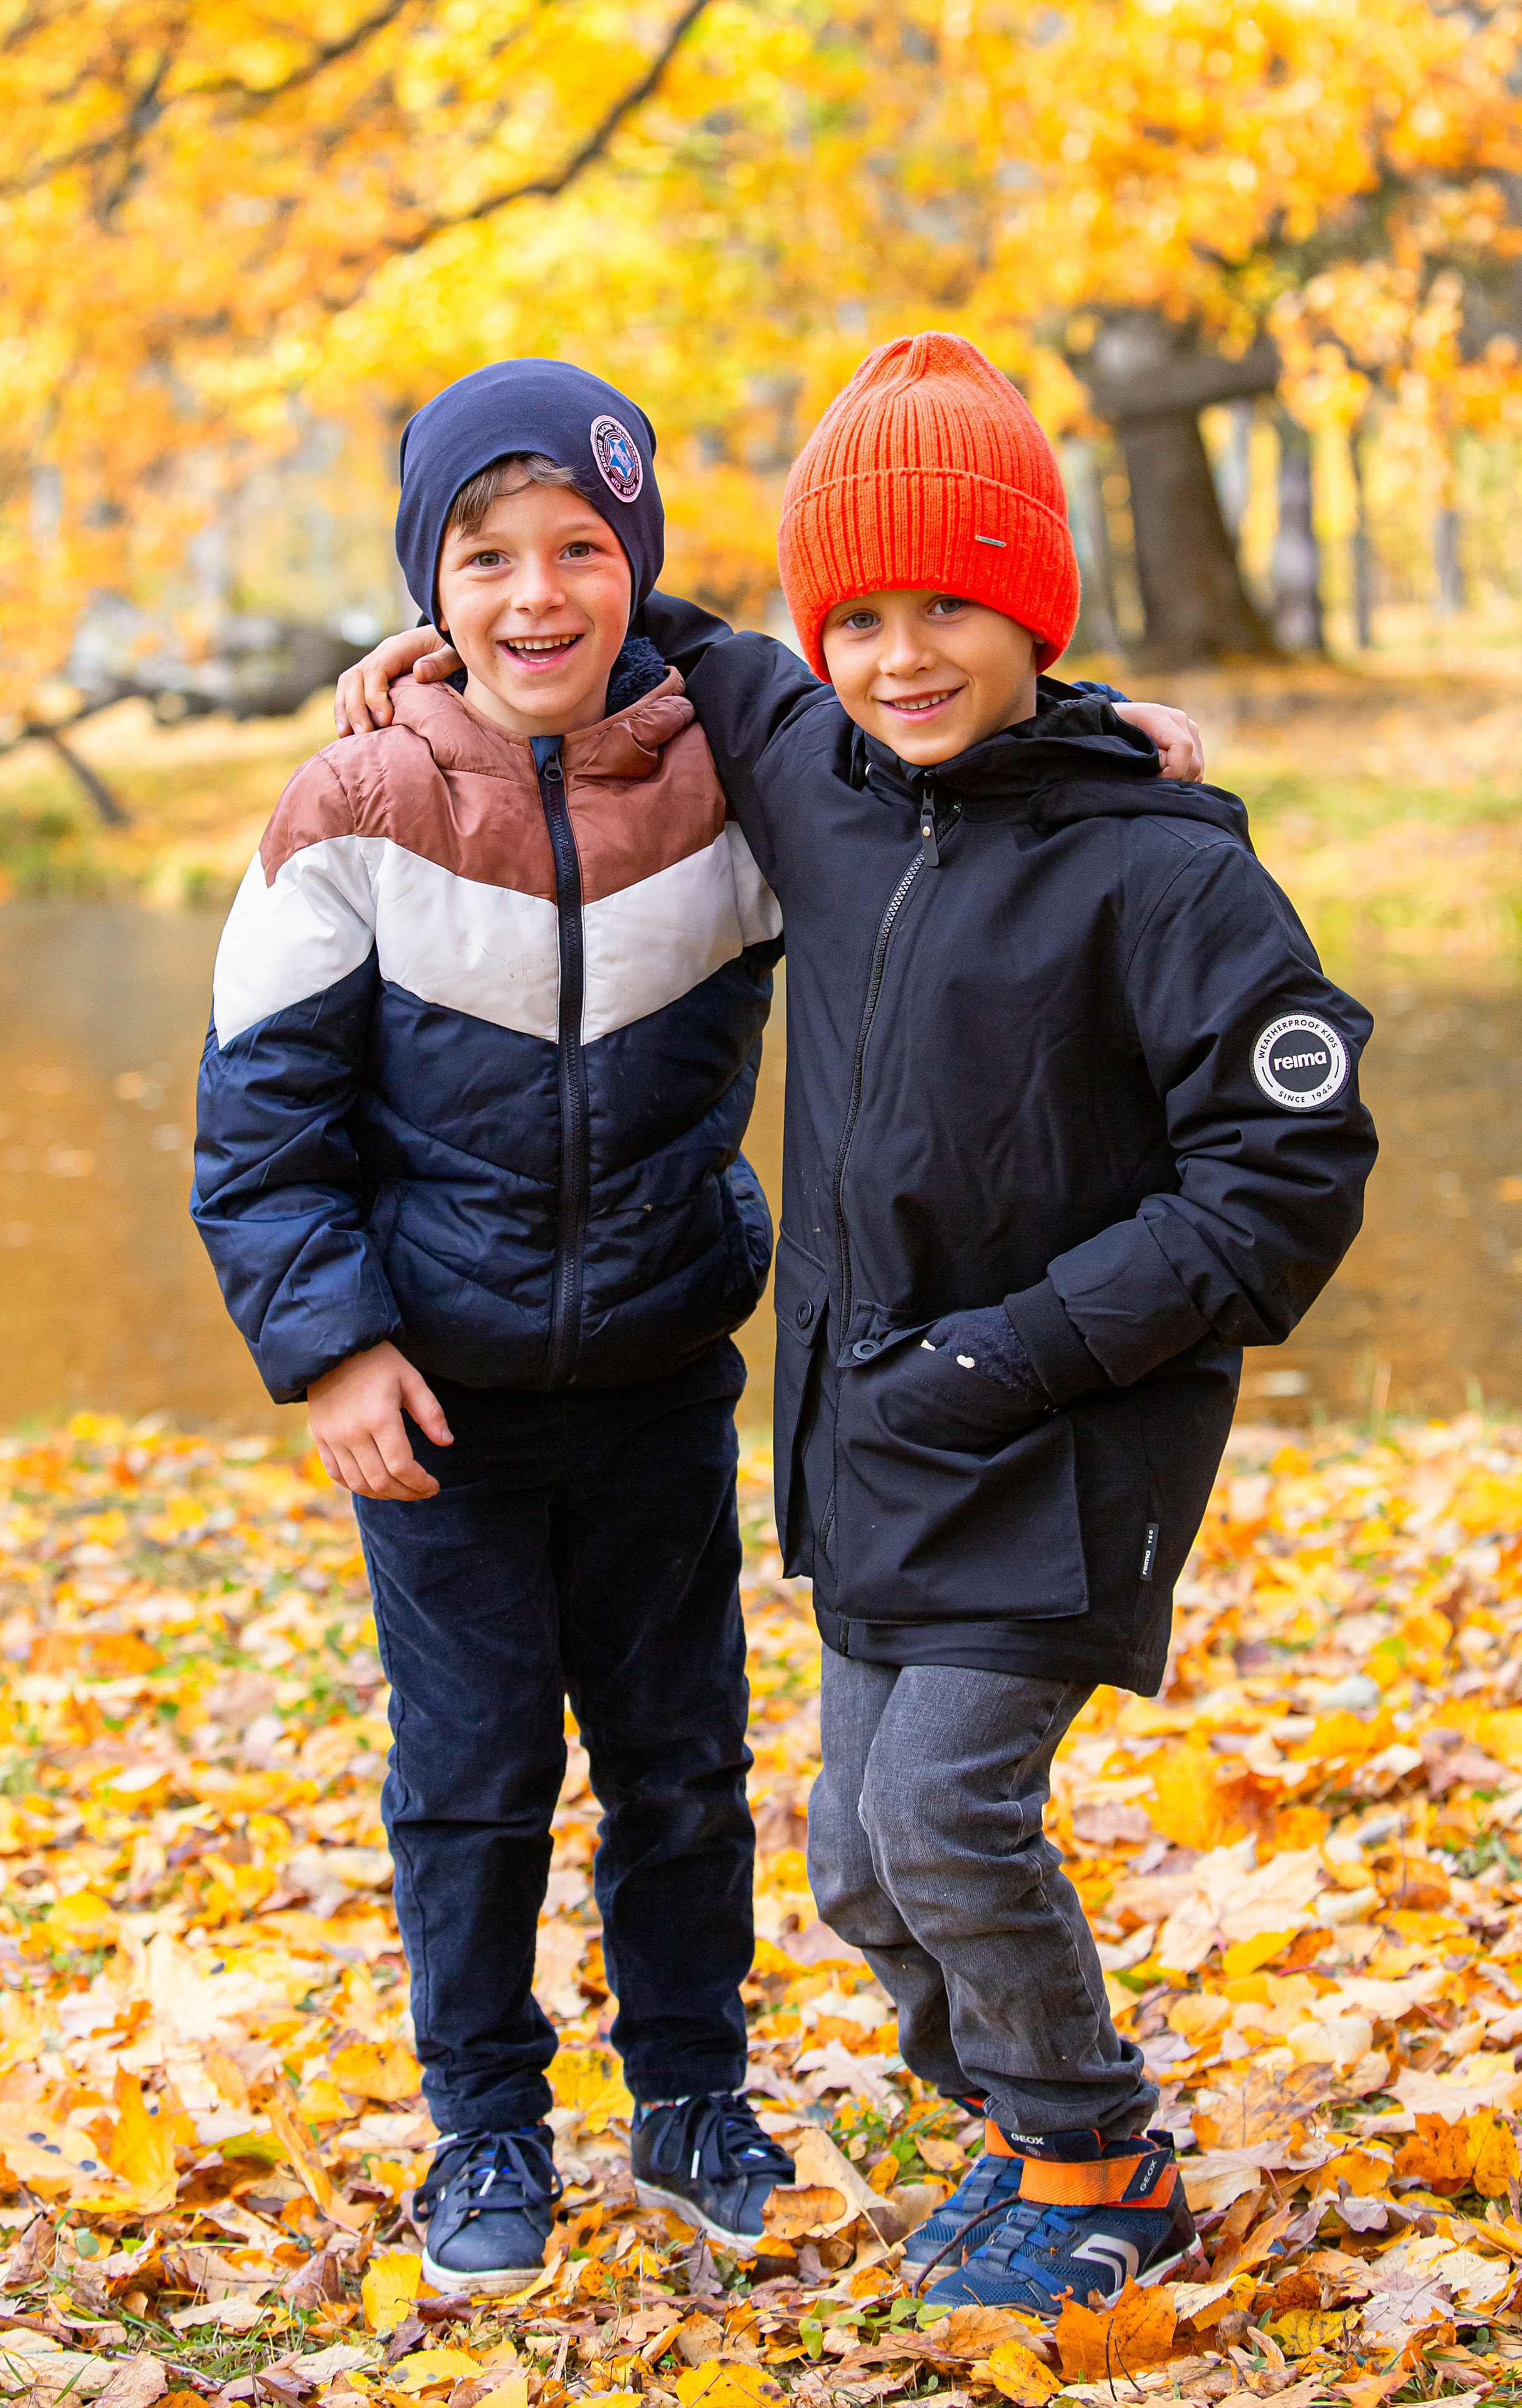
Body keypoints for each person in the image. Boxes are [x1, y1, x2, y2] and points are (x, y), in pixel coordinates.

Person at [337, 332, 1375, 2316]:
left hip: (1067, 1434)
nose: (904, 657)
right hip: (877, 1432)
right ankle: (1015, 2124)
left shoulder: (1159, 868)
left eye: (956, 610)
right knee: (856, 1864)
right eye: (865, 618)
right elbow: (635, 625)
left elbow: (1284, 1170)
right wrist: (435, 657)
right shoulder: (812, 767)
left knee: (941, 1814)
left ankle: (1098, 2157)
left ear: (1038, 612)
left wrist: (1022, 1349)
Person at [191, 358, 806, 2289]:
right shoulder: (357, 802)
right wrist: (332, 1344)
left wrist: (1112, 733)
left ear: (639, 567)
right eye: (485, 560)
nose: (536, 594)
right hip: (437, 1404)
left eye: (580, 551)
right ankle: (485, 2128)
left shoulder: (734, 782)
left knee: (681, 1761)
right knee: (470, 1780)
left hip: (657, 1377)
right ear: (426, 590)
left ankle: (693, 2094)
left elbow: (934, 756)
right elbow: (259, 1117)